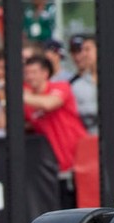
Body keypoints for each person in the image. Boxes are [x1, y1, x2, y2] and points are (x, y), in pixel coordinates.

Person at [22, 53, 87, 208]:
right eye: (27, 73)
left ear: (45, 73)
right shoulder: (27, 101)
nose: (30, 77)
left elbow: (49, 104)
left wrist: (16, 94)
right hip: (56, 169)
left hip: (80, 162)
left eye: (34, 72)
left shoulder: (60, 87)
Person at [68, 33, 114, 134]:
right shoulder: (78, 83)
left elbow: (113, 106)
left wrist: (85, 110)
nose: (83, 54)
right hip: (88, 141)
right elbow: (71, 110)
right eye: (82, 50)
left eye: (88, 49)